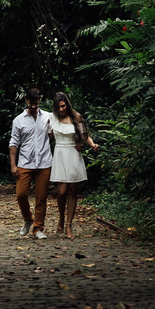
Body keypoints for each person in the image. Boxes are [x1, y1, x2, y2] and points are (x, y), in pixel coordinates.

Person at [47, 92, 99, 239]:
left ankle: (69, 225)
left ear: (67, 104)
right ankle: (61, 218)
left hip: (73, 153)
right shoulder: (52, 118)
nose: (61, 110)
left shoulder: (76, 117)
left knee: (72, 191)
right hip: (59, 153)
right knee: (62, 191)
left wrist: (92, 144)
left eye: (63, 106)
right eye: (58, 107)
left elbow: (85, 135)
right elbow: (47, 138)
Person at [9, 88, 54, 239]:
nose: (34, 106)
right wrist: (13, 165)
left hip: (44, 162)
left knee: (41, 197)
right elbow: (14, 143)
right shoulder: (18, 120)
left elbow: (53, 133)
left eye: (36, 103)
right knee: (21, 194)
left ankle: (38, 228)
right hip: (25, 163)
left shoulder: (48, 117)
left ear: (39, 101)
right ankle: (28, 219)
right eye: (31, 103)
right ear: (26, 101)